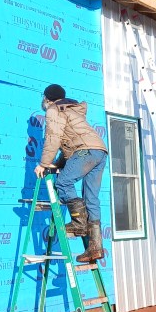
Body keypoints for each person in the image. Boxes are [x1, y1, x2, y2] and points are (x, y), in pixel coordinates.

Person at [34, 84, 108, 262]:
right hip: (99, 151)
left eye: (44, 97)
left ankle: (78, 223)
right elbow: (70, 144)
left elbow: (53, 138)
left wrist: (43, 164)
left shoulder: (53, 110)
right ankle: (96, 248)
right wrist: (58, 163)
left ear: (47, 98)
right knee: (91, 198)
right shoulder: (72, 110)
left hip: (86, 151)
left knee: (63, 182)